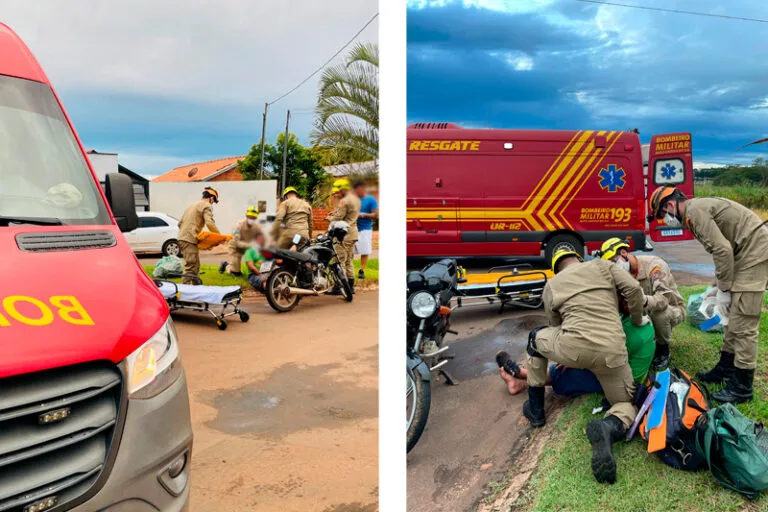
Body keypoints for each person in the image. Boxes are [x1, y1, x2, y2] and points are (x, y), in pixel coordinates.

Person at [524, 248, 648, 484]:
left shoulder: (552, 285)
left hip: (574, 349)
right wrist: (636, 320)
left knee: (535, 338)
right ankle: (610, 426)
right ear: (579, 259)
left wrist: (562, 355)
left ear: (556, 267)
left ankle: (537, 411)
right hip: (612, 351)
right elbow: (633, 289)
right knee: (625, 402)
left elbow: (555, 326)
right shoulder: (602, 265)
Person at [649, 187, 768, 403]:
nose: (665, 220)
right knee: (731, 317)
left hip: (754, 252)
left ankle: (742, 386)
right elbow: (722, 250)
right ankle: (726, 367)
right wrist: (717, 285)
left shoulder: (694, 212)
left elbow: (723, 250)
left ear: (669, 205)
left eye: (662, 214)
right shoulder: (694, 213)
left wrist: (724, 290)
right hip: (742, 252)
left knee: (744, 322)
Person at [497, 314, 655, 397]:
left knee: (565, 373)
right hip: (623, 366)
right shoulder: (636, 318)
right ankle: (524, 379)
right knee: (568, 363)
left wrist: (574, 361)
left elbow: (600, 355)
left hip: (623, 381)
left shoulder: (630, 334)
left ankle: (522, 377)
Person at [598, 237, 685, 370]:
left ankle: (663, 351)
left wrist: (640, 300)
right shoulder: (620, 274)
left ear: (623, 253)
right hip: (644, 311)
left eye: (613, 262)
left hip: (671, 308)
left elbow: (663, 301)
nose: (613, 268)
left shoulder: (654, 266)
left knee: (660, 315)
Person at [177, 187, 220, 285]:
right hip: (189, 240)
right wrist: (219, 237)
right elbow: (210, 223)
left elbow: (179, 224)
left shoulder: (191, 205)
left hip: (183, 238)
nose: (213, 203)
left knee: (195, 266)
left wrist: (192, 233)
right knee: (191, 267)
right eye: (214, 201)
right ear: (211, 198)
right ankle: (180, 293)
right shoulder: (207, 205)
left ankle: (197, 288)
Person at [327, 178, 360, 294]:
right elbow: (347, 214)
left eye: (337, 192)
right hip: (353, 232)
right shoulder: (355, 200)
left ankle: (339, 287)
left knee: (339, 260)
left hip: (343, 234)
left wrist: (329, 218)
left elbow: (338, 218)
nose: (336, 194)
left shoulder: (344, 201)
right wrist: (335, 212)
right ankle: (351, 287)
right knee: (349, 261)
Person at [219, 206, 262, 276]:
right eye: (250, 217)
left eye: (253, 218)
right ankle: (226, 265)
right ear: (246, 216)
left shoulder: (257, 227)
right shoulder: (238, 226)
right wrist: (251, 245)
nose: (251, 219)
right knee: (235, 273)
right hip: (235, 249)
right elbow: (236, 243)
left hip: (248, 248)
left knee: (261, 263)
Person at [353, 180, 378, 280]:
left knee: (364, 250)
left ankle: (361, 270)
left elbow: (375, 215)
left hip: (365, 229)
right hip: (353, 228)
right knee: (350, 251)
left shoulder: (370, 200)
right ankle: (349, 270)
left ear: (362, 189)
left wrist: (362, 214)